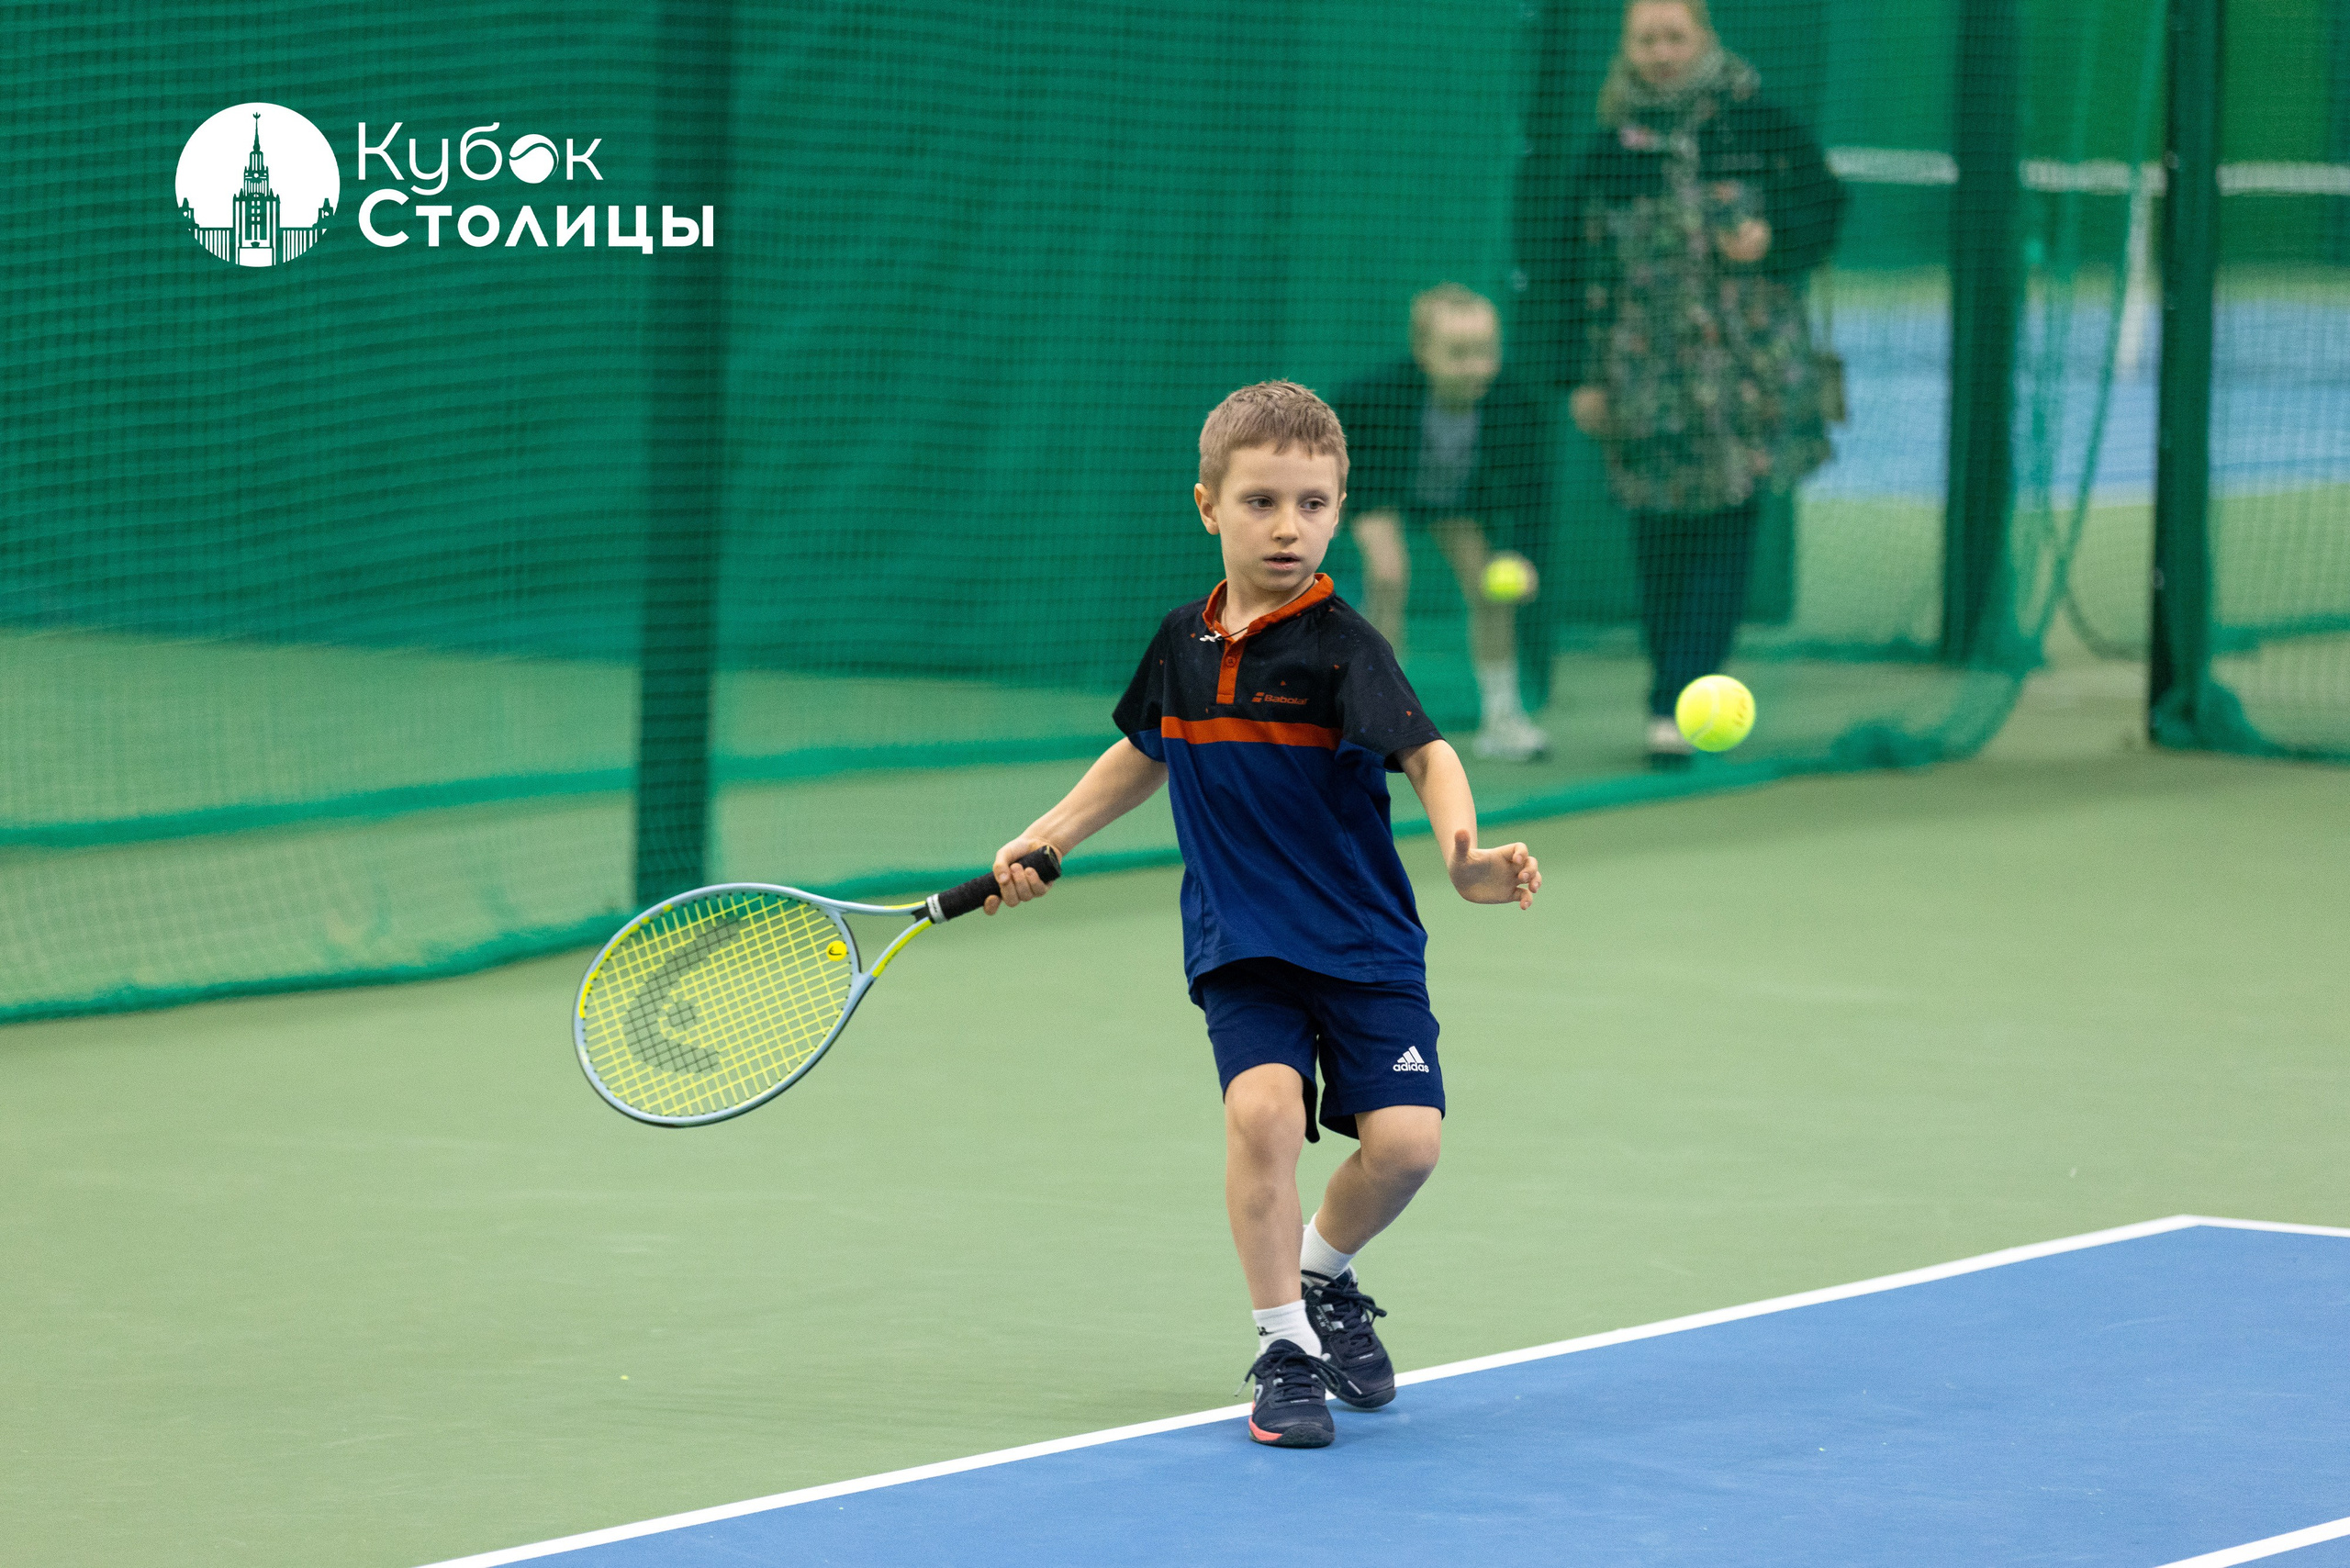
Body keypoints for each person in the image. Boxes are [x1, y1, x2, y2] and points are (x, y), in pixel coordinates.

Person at [979, 381, 1540, 1449]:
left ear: (1338, 508)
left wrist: (1464, 858)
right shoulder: (1181, 645)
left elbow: (1428, 752)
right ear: (1208, 506)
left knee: (1409, 1146)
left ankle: (1321, 1274)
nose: (1289, 527)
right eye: (1262, 502)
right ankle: (1283, 1346)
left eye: (1314, 505)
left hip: (1364, 937)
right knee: (1265, 1118)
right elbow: (1145, 751)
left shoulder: (1341, 646)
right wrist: (1047, 834)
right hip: (1241, 938)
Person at [1519, 0, 1842, 764]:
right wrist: (1579, 379)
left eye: (1675, 36)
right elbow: (1570, 270)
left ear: (1704, 39)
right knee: (1659, 533)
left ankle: (1681, 696)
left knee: (1728, 525)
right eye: (1646, 39)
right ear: (1628, 49)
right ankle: (1669, 685)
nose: (1661, 51)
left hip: (1745, 376)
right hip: (1641, 380)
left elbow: (1824, 206)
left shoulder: (1760, 126)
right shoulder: (1608, 151)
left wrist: (1775, 237)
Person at [1335, 286, 1553, 763]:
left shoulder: (1515, 407)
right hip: (1382, 490)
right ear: (1423, 353)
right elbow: (1339, 453)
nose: (1475, 366)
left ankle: (1502, 717)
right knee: (1388, 574)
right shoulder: (1374, 398)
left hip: (1460, 502)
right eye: (1458, 354)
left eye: (1485, 352)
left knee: (1492, 587)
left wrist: (1523, 555)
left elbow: (1532, 493)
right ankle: (1376, 717)